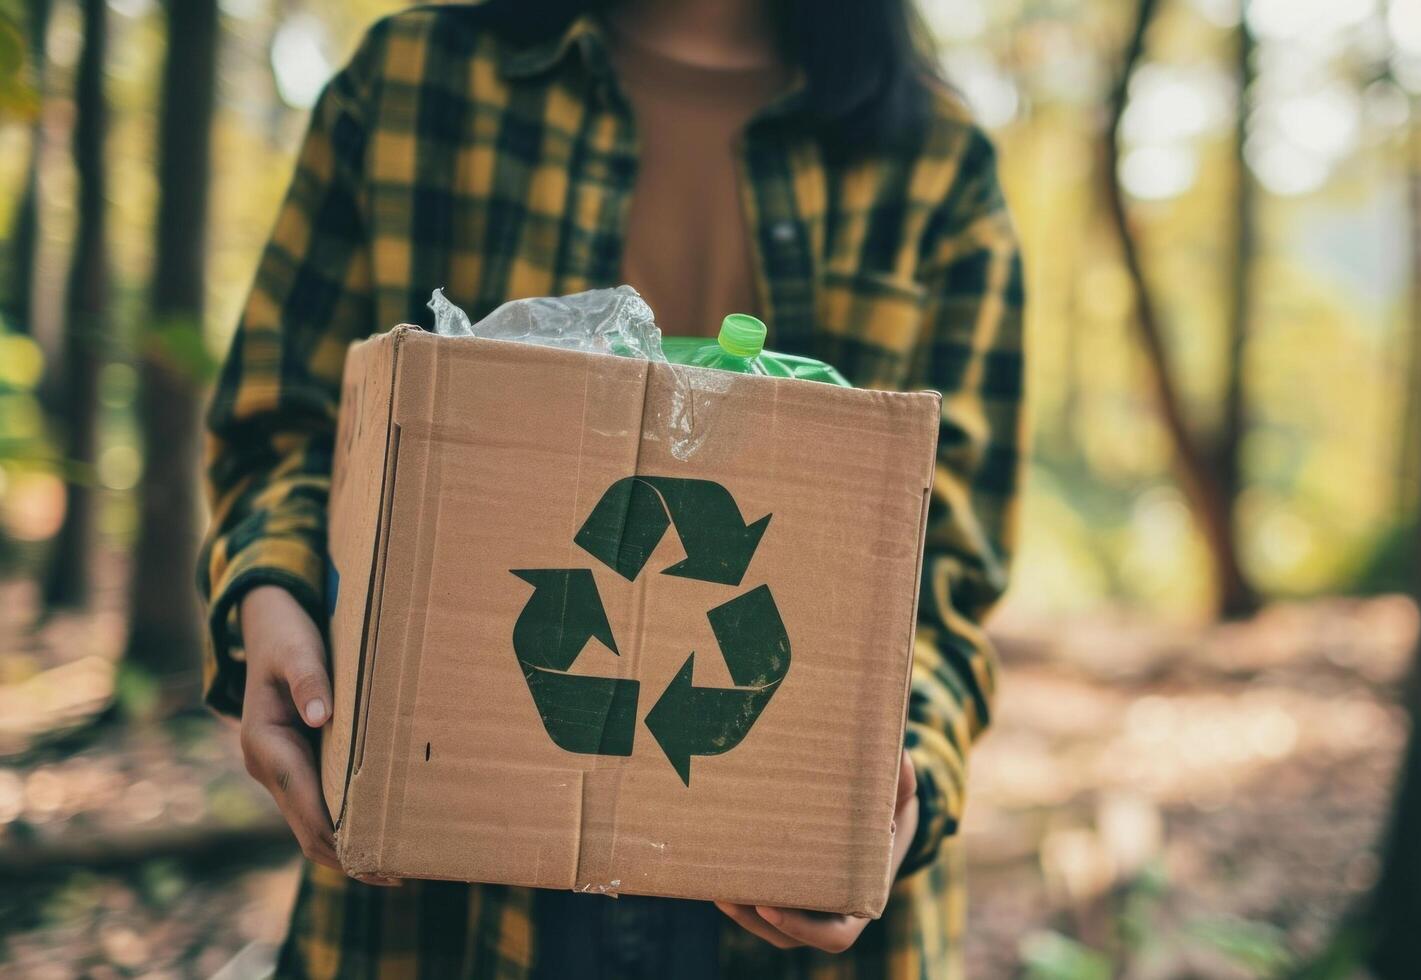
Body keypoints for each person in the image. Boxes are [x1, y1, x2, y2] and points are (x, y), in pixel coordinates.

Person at [197, 0, 1023, 975]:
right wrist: (271, 594)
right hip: (439, 884)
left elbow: (946, 569)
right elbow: (284, 428)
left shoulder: (935, 158)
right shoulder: (411, 83)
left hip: (786, 906)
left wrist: (894, 786)